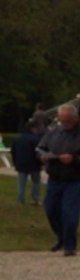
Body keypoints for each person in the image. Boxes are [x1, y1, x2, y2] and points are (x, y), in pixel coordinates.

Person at [38, 103, 80, 255]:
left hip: (75, 179)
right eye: (62, 121)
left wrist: (74, 159)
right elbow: (41, 148)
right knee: (51, 210)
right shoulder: (54, 131)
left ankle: (69, 245)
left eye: (67, 121)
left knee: (69, 213)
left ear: (76, 119)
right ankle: (61, 237)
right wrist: (43, 156)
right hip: (55, 177)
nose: (64, 124)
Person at [11, 123, 43, 205]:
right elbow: (38, 153)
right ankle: (35, 198)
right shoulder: (36, 139)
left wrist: (14, 162)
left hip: (21, 164)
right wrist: (41, 163)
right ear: (33, 129)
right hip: (34, 164)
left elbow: (13, 151)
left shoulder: (17, 139)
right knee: (36, 182)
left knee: (21, 183)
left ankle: (20, 199)